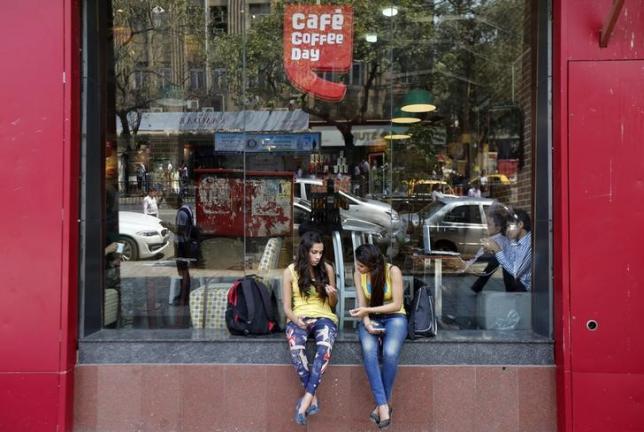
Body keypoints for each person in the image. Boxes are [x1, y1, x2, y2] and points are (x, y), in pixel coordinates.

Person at [282, 231, 338, 426]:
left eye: (320, 253)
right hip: (299, 317)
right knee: (296, 350)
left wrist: (331, 293)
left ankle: (306, 399)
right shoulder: (290, 271)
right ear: (305, 251)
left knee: (324, 348)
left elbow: (332, 304)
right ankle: (312, 397)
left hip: (324, 317)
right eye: (314, 252)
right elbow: (287, 308)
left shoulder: (327, 269)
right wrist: (296, 321)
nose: (317, 257)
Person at [349, 244, 407, 430]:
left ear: (372, 264)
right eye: (357, 265)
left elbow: (397, 304)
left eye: (362, 266)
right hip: (371, 319)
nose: (358, 269)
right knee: (369, 351)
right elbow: (362, 303)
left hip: (395, 317)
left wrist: (368, 310)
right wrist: (366, 321)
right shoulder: (358, 274)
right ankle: (384, 405)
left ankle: (381, 404)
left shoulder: (393, 271)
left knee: (390, 353)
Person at [481, 208, 532, 291]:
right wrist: (494, 250)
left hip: (527, 290)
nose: (507, 230)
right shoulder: (516, 239)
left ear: (520, 224)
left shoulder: (529, 243)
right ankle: (511, 296)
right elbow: (509, 260)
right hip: (518, 284)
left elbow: (516, 272)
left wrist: (497, 250)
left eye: (509, 226)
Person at [470, 205, 514, 293]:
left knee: (499, 264)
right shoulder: (500, 236)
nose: (486, 227)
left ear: (498, 227)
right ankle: (477, 286)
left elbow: (478, 256)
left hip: (509, 260)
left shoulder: (499, 237)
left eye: (489, 224)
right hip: (506, 256)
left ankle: (478, 286)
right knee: (495, 262)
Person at [173, 199, 197, 305]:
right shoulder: (187, 208)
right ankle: (184, 294)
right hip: (186, 243)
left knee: (183, 272)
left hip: (181, 244)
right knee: (184, 271)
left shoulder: (182, 213)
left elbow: (180, 230)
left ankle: (184, 298)